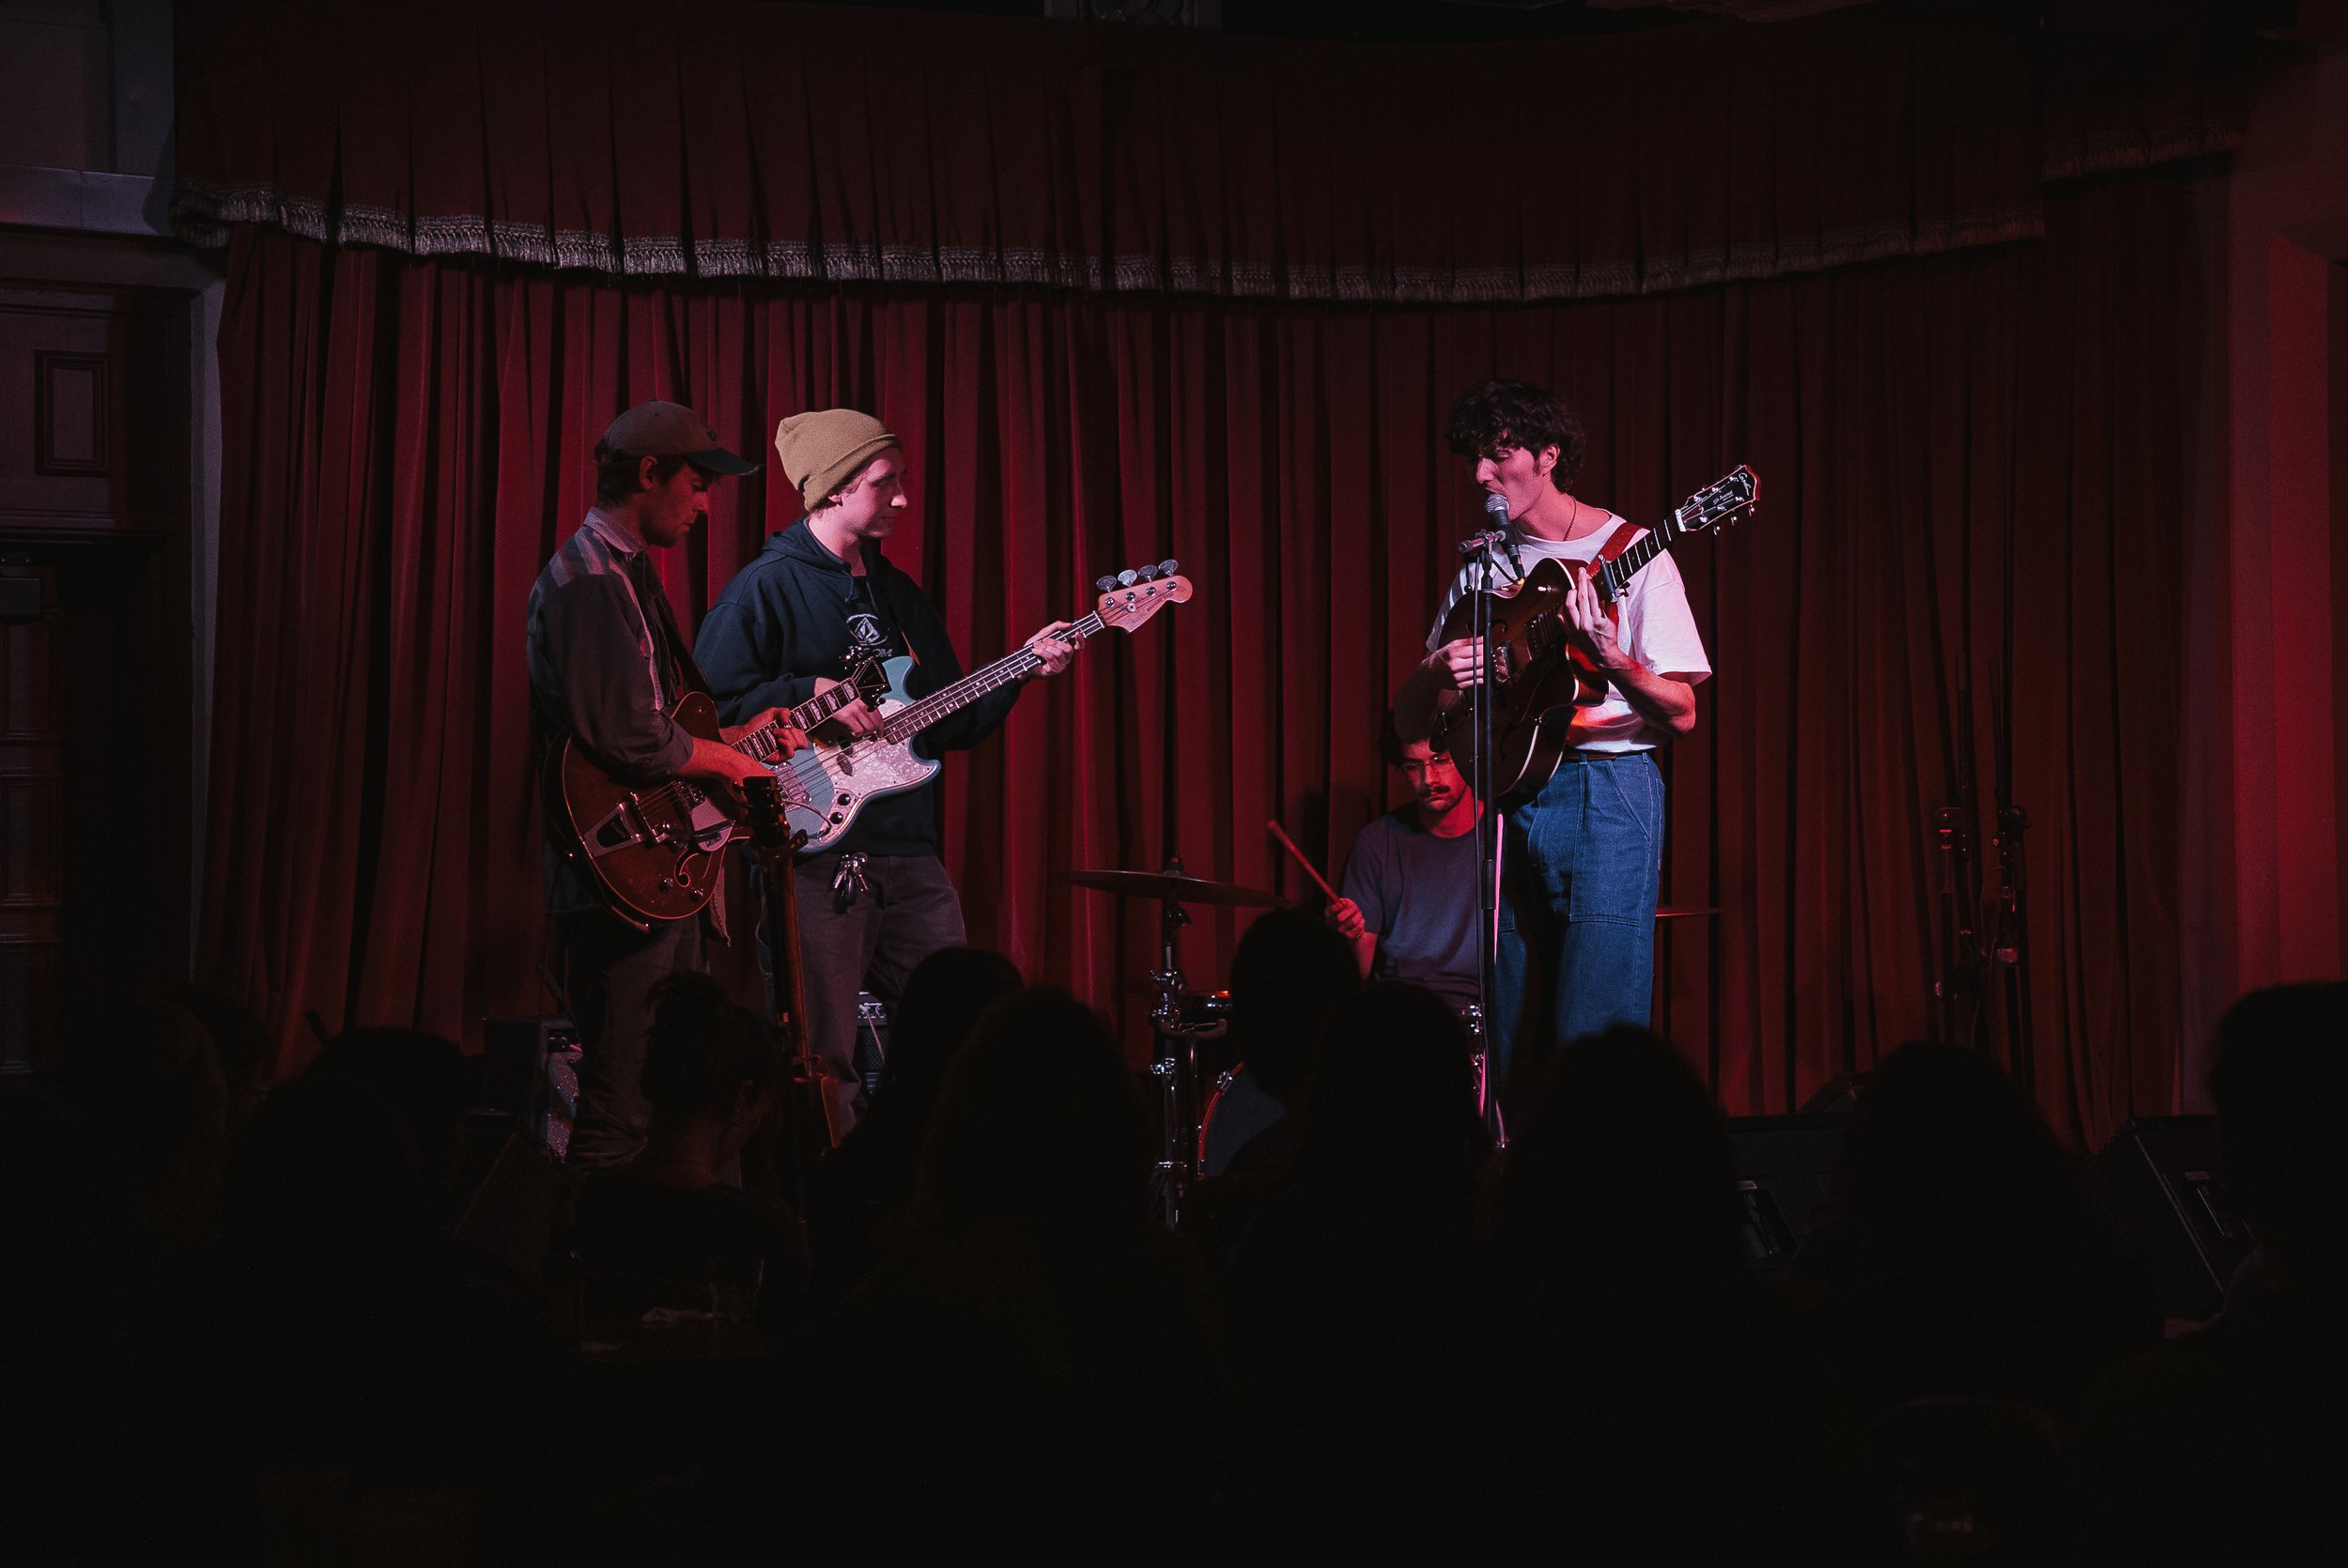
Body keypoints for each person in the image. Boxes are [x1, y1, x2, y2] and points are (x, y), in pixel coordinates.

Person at [694, 409, 1075, 1134]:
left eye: (901, 480)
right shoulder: (764, 589)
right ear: (833, 490)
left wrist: (1027, 668)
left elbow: (953, 717)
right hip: (811, 851)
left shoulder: (900, 597)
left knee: (961, 1035)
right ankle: (828, 1215)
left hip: (908, 853)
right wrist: (803, 698)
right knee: (822, 1057)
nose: (902, 497)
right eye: (885, 481)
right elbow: (709, 714)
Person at [1392, 378, 1709, 1075]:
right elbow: (1411, 722)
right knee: (1507, 1023)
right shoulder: (1483, 571)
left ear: (1549, 456)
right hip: (1507, 796)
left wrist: (1613, 659)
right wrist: (1435, 671)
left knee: (1593, 1019)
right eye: (1474, 457)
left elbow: (1682, 712)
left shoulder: (1634, 551)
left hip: (1607, 791)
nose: (1480, 474)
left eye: (1498, 454)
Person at [526, 401, 807, 1168]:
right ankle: (589, 1276)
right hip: (623, 870)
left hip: (657, 864)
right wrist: (735, 763)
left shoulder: (621, 572)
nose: (707, 503)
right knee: (621, 1107)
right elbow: (630, 737)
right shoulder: (589, 582)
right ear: (648, 474)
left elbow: (657, 718)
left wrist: (741, 737)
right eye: (697, 483)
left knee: (664, 1094)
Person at [1322, 720, 1483, 1013]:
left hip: (1482, 1012)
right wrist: (1350, 936)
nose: (1429, 778)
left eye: (1441, 760)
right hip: (1397, 1010)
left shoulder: (1503, 832)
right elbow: (1358, 974)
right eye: (1413, 766)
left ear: (1466, 755)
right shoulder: (1376, 843)